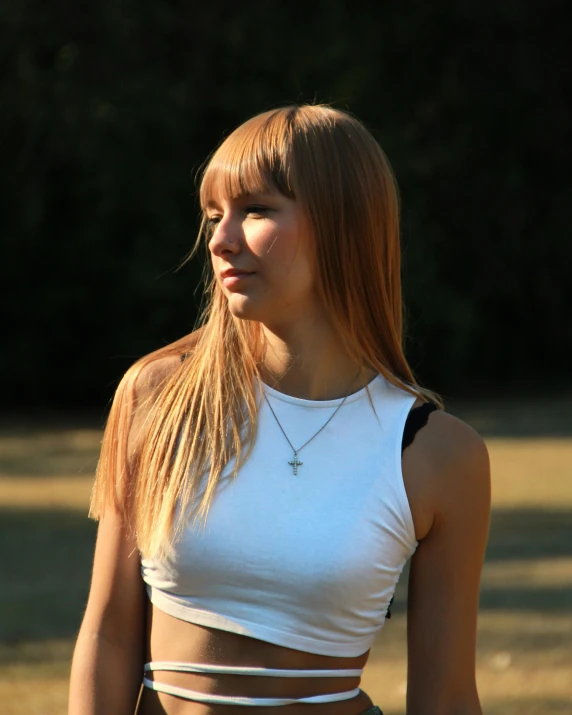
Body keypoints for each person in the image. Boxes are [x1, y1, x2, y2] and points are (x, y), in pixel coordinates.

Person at [68, 104, 491, 715]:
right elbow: (106, 634)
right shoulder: (158, 397)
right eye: (214, 215)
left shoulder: (437, 455)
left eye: (257, 210)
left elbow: (447, 698)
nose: (219, 239)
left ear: (343, 225)